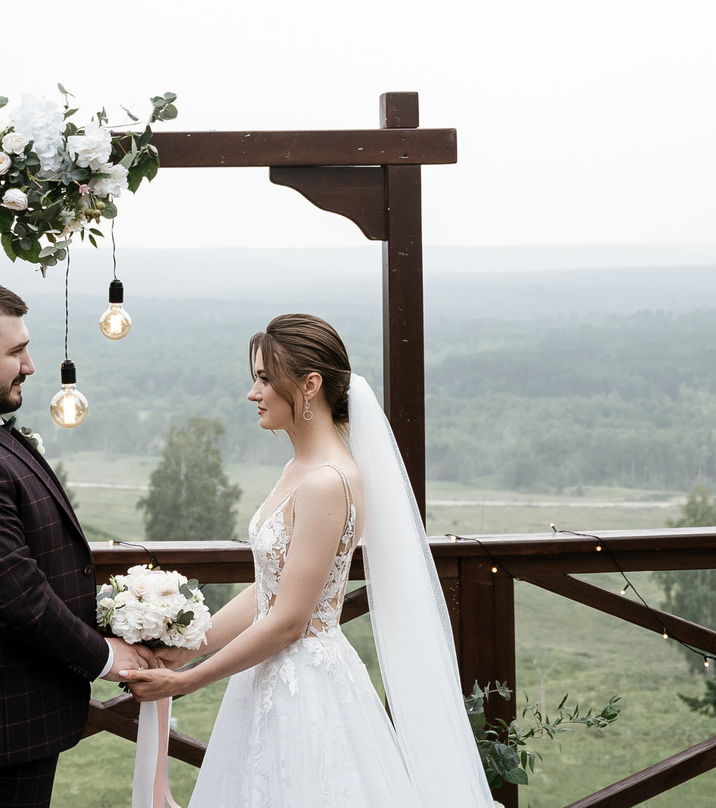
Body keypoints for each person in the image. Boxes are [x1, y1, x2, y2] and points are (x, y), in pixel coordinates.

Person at [118, 313, 505, 807]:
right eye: (254, 378)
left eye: (263, 379)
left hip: (308, 693)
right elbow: (268, 590)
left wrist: (188, 681)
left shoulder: (327, 480)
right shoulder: (299, 467)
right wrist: (190, 645)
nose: (252, 393)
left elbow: (290, 621)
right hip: (266, 679)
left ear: (310, 384)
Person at [0, 278, 160, 807]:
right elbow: (15, 590)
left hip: (8, 714)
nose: (32, 365)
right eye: (17, 351)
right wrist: (106, 656)